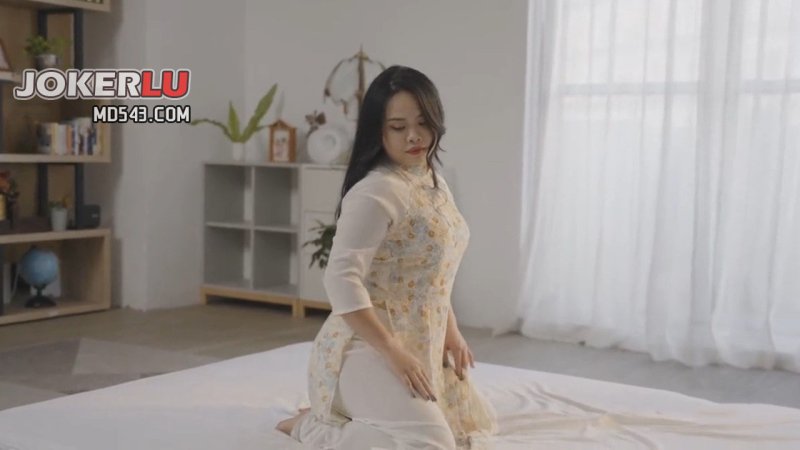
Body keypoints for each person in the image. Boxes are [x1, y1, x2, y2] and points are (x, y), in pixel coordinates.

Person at [276, 65, 497, 449]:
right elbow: (340, 280)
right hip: (367, 346)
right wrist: (393, 352)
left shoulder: (432, 180)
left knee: (465, 431)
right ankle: (311, 427)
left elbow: (432, 274)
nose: (414, 135)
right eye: (398, 126)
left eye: (423, 122)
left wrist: (451, 331)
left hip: (419, 340)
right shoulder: (376, 191)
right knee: (432, 444)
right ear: (378, 131)